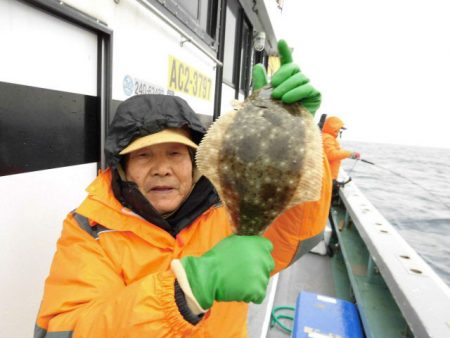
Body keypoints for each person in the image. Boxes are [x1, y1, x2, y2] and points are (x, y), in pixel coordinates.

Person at [34, 40, 332, 338]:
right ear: (121, 167)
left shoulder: (230, 211)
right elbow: (66, 329)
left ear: (194, 163)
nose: (162, 168)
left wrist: (303, 136)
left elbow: (294, 238)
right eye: (144, 155)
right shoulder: (90, 230)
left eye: (175, 153)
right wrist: (185, 292)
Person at [322, 116, 360, 181]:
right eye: (339, 129)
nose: (340, 131)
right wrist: (350, 154)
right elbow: (331, 154)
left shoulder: (327, 137)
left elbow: (334, 151)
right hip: (326, 178)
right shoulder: (328, 138)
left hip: (328, 177)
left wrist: (350, 155)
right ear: (334, 128)